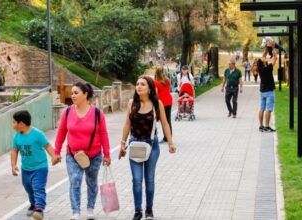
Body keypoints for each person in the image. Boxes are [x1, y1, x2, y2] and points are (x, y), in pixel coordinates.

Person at [118, 75, 177, 220]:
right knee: (137, 179)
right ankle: (138, 210)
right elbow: (127, 124)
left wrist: (170, 143)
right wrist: (122, 143)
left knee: (149, 179)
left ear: (149, 88)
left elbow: (164, 124)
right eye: (137, 84)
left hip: (152, 145)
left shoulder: (157, 104)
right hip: (135, 145)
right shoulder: (132, 103)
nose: (138, 86)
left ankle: (149, 210)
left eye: (142, 84)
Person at [54, 82, 111, 219]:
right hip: (73, 155)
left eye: (76, 93)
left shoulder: (97, 113)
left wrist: (107, 154)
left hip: (94, 155)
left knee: (91, 182)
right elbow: (61, 132)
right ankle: (76, 212)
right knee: (75, 179)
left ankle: (90, 209)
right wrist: (57, 151)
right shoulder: (67, 112)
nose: (72, 95)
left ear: (85, 94)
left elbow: (103, 134)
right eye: (72, 93)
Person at [10, 110, 60, 220]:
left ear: (21, 124)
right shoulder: (17, 137)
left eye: (14, 122)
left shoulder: (37, 134)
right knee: (28, 188)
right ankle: (33, 204)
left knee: (38, 188)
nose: (13, 125)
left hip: (40, 168)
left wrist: (53, 156)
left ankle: (39, 209)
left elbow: (47, 146)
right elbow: (14, 150)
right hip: (26, 169)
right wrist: (13, 165)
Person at [258, 48, 277, 132]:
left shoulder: (260, 69)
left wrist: (266, 49)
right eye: (265, 60)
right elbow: (275, 58)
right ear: (264, 63)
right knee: (268, 109)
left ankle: (261, 126)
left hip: (262, 91)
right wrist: (273, 48)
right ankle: (267, 126)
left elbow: (263, 56)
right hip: (269, 91)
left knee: (262, 108)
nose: (266, 59)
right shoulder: (268, 68)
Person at [154, 66, 173, 143]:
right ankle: (169, 137)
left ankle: (165, 137)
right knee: (168, 120)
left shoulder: (156, 82)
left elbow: (155, 93)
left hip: (162, 103)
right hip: (169, 100)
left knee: (163, 121)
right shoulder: (168, 80)